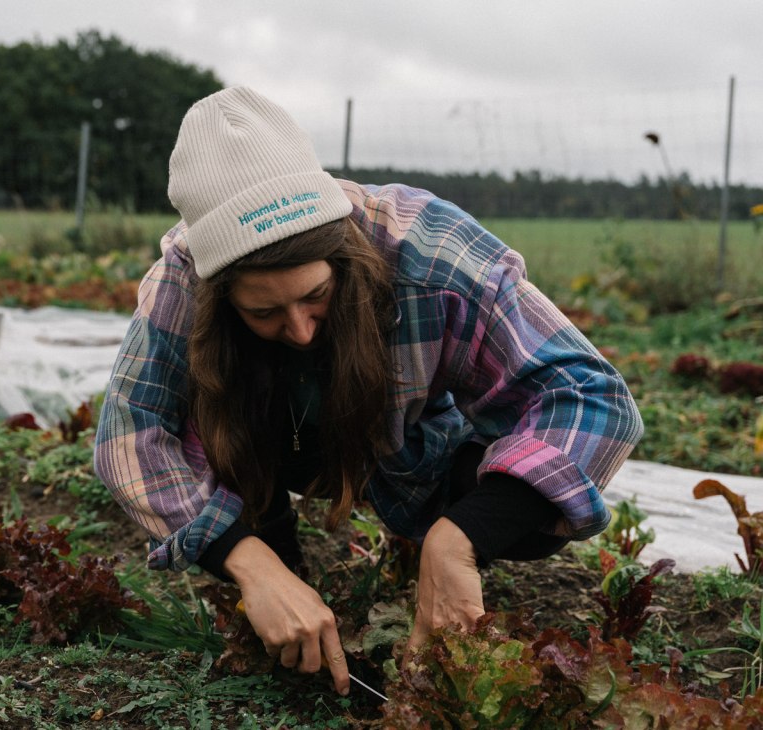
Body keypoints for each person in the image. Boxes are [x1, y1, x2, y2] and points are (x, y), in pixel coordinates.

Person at [93, 86, 643, 695]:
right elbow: (129, 432)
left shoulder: (428, 250)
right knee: (220, 415)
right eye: (263, 311)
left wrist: (461, 535)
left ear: (343, 252)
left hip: (406, 447)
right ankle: (277, 552)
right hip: (264, 443)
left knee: (529, 523)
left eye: (316, 297)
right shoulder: (181, 279)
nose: (299, 330)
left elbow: (592, 395)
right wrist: (250, 563)